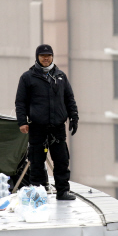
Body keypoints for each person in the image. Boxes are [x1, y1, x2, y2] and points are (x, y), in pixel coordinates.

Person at [15, 44, 79, 200]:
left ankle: (63, 191)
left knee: (62, 160)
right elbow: (20, 102)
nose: (46, 58)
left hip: (57, 127)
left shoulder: (61, 76)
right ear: (37, 57)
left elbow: (69, 99)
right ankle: (37, 194)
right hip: (37, 126)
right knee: (36, 162)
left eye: (48, 55)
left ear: (52, 57)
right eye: (43, 56)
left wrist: (74, 117)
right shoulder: (27, 77)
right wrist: (22, 121)